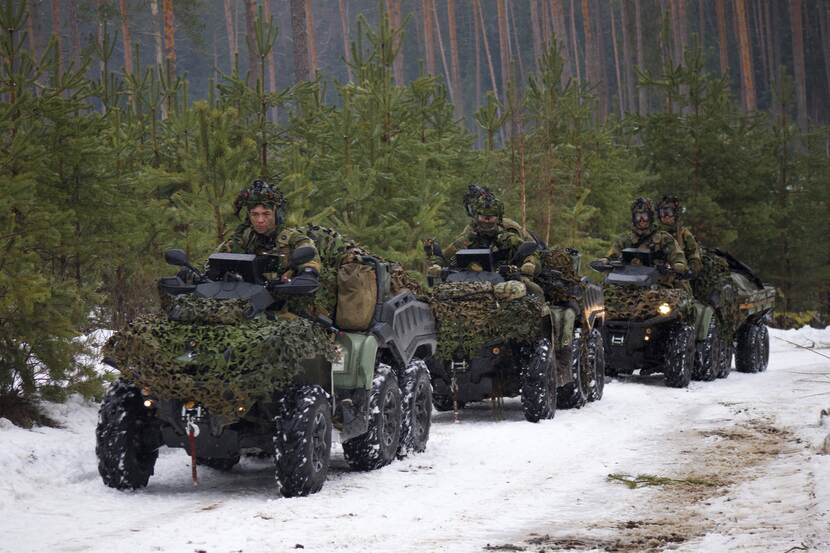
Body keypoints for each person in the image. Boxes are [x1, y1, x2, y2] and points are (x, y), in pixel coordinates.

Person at [425, 185, 541, 281]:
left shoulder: (509, 235)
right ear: (476, 217)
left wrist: (529, 264)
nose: (486, 221)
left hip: (508, 282)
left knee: (532, 288)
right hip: (472, 283)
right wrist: (437, 266)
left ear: (498, 219)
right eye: (483, 217)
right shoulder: (468, 237)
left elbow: (531, 252)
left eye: (490, 218)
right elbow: (447, 257)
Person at [219, 179, 321, 284]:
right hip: (250, 295)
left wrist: (307, 275)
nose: (260, 220)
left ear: (276, 214)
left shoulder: (292, 238)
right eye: (255, 214)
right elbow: (217, 260)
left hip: (287, 295)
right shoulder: (244, 237)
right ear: (249, 216)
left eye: (266, 214)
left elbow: (310, 258)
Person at [607, 197, 688, 288]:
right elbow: (611, 257)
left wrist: (675, 267)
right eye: (638, 216)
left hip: (659, 286)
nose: (641, 220)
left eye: (644, 216)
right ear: (634, 218)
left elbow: (678, 258)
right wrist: (604, 261)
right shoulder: (624, 239)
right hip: (625, 285)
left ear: (650, 217)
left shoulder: (664, 238)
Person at [656, 195, 702, 276]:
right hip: (657, 275)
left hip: (679, 275)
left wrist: (690, 271)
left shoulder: (684, 234)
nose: (666, 216)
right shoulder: (655, 234)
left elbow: (694, 256)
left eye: (669, 212)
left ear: (675, 214)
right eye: (663, 213)